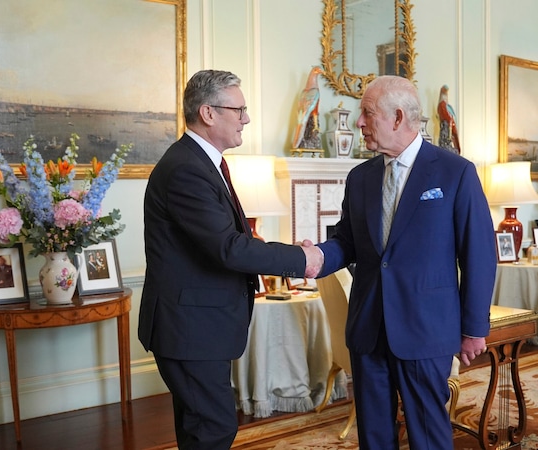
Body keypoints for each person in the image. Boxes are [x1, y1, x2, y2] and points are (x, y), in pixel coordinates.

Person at [138, 69, 323, 450]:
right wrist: (300, 258)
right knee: (213, 430)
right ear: (208, 113)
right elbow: (229, 248)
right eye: (238, 110)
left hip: (196, 326)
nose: (247, 118)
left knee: (201, 429)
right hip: (190, 328)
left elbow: (232, 240)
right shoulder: (186, 170)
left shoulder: (201, 163)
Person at [312, 75, 497, 449]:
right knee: (375, 438)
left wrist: (474, 327)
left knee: (428, 437)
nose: (359, 122)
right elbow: (347, 243)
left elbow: (479, 253)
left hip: (426, 330)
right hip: (368, 329)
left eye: (367, 113)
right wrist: (316, 256)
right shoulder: (359, 178)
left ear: (397, 117)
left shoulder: (455, 172)